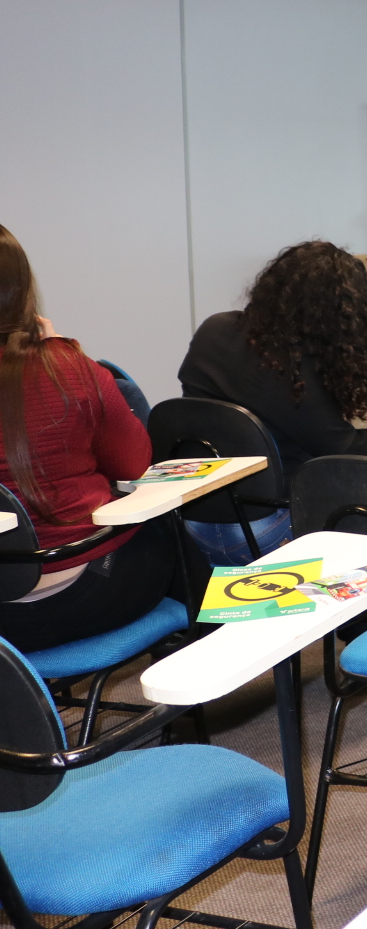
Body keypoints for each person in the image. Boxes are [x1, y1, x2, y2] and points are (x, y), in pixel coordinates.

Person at [178, 241, 367, 564]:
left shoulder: (213, 329)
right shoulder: (293, 368)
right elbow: (345, 447)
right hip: (264, 530)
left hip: (191, 526)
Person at [0, 225, 185, 651]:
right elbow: (135, 464)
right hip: (82, 593)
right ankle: (211, 677)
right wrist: (58, 349)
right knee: (168, 528)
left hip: (3, 624)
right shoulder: (65, 367)